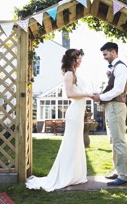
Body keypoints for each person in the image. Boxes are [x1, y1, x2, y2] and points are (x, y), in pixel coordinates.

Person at [25, 48, 93, 192]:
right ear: (72, 59)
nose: (80, 61)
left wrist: (89, 95)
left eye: (81, 58)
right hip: (74, 113)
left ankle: (75, 174)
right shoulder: (69, 74)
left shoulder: (74, 73)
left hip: (79, 113)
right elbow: (69, 94)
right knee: (71, 144)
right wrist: (88, 95)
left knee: (77, 144)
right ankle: (65, 175)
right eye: (78, 58)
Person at [92, 42, 127, 186]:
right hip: (111, 107)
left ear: (113, 52)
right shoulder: (114, 67)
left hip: (116, 106)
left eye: (105, 54)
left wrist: (100, 97)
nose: (104, 57)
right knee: (113, 140)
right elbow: (111, 88)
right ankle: (118, 170)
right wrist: (100, 95)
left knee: (119, 140)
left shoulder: (120, 67)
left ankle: (125, 176)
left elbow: (118, 90)